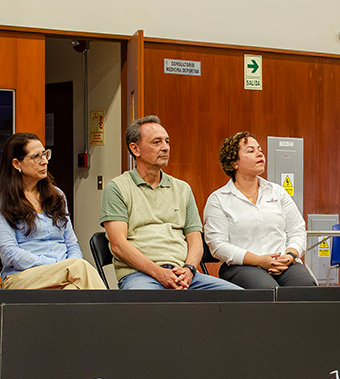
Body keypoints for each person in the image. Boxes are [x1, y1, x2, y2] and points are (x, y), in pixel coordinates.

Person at [99, 116, 241, 290]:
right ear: (135, 149)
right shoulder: (117, 188)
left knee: (238, 297)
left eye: (167, 141)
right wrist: (159, 273)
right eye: (156, 142)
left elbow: (195, 239)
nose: (165, 147)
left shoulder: (182, 188)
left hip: (183, 273)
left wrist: (189, 269)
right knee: (149, 300)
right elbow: (118, 245)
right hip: (140, 274)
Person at [0, 132, 103, 289]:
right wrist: (58, 265)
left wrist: (66, 266)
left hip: (65, 274)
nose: (44, 161)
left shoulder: (57, 195)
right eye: (36, 157)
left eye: (44, 154)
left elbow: (72, 244)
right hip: (22, 276)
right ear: (16, 164)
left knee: (74, 289)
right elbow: (10, 253)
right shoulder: (1, 202)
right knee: (80, 267)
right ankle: (115, 306)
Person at [203, 132, 317, 289]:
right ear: (234, 162)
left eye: (260, 150)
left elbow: (297, 230)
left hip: (283, 262)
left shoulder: (277, 192)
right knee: (267, 290)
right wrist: (259, 260)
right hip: (242, 266)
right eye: (251, 151)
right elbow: (218, 245)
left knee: (306, 286)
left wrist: (290, 255)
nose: (259, 154)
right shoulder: (218, 199)